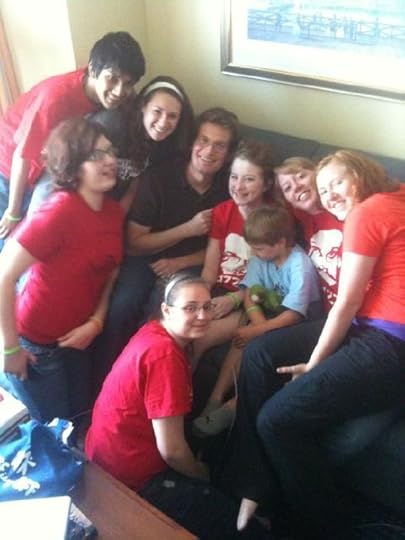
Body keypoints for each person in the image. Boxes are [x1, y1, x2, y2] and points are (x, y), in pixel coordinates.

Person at [251, 150, 405, 539]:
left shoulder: (366, 212)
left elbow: (347, 302)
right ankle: (257, 488)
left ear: (361, 174)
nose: (330, 194)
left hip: (387, 342)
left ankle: (319, 526)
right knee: (262, 354)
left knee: (275, 419)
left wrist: (314, 364)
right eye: (324, 189)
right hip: (378, 334)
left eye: (338, 181)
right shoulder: (396, 196)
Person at [85, 273, 270, 540]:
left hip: (105, 453)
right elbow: (171, 450)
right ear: (167, 310)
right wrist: (199, 475)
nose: (203, 316)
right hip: (133, 477)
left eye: (207, 307)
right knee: (239, 527)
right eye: (190, 308)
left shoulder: (154, 330)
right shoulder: (164, 356)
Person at [91, 107, 240, 395]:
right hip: (145, 257)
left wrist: (182, 261)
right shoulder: (159, 179)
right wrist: (188, 229)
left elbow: (227, 247)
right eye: (203, 140)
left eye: (219, 145)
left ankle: (153, 391)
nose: (209, 151)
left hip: (194, 264)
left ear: (229, 154)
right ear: (192, 142)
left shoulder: (229, 188)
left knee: (166, 321)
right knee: (121, 309)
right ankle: (104, 388)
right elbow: (134, 243)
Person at [0, 118, 124, 422]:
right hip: (36, 344)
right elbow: (4, 275)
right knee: (54, 430)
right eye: (96, 155)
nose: (109, 161)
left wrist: (97, 320)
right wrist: (9, 349)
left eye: (110, 151)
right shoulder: (57, 211)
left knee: (80, 419)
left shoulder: (113, 212)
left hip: (78, 337)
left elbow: (110, 272)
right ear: (74, 164)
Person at [0, 31, 145, 250]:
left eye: (127, 83)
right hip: (9, 172)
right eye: (112, 78)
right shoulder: (55, 99)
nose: (119, 90)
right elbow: (22, 155)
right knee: (10, 245)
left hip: (45, 167)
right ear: (93, 69)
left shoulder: (112, 99)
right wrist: (13, 212)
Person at [193, 206, 322, 436]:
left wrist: (260, 331)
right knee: (243, 337)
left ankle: (234, 407)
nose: (255, 253)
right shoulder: (261, 259)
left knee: (257, 343)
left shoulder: (299, 265)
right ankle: (215, 398)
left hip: (300, 323)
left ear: (281, 242)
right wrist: (258, 327)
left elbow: (295, 314)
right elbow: (250, 295)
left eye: (260, 248)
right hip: (271, 314)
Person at [89, 75, 194, 211]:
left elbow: (133, 189)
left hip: (114, 212)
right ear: (143, 106)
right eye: (157, 111)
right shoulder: (112, 124)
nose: (163, 123)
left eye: (172, 116)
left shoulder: (165, 148)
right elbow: (80, 168)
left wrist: (115, 219)